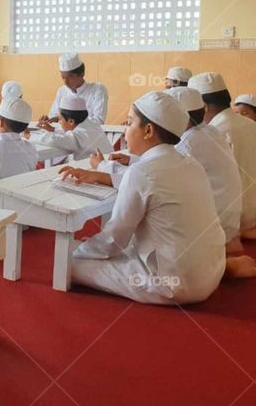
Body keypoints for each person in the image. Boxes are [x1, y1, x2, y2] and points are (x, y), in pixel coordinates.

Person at [59, 92, 245, 305]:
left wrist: (79, 250)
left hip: (171, 283)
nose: (125, 130)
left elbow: (113, 241)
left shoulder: (141, 172)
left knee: (64, 263)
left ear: (148, 130)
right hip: (212, 270)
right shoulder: (190, 163)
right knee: (93, 248)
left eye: (129, 123)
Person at [165, 87, 256, 275]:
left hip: (213, 225)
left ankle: (219, 265)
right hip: (229, 219)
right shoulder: (208, 132)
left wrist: (104, 172)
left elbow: (160, 177)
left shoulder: (188, 143)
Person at [189, 72, 256, 241]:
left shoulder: (214, 133)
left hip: (232, 218)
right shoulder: (254, 127)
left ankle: (236, 235)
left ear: (204, 107)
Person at [35, 95, 113, 161]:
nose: (60, 122)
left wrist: (29, 136)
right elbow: (71, 134)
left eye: (60, 119)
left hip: (99, 173)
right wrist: (52, 129)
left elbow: (53, 140)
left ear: (71, 121)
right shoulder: (93, 125)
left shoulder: (78, 136)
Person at [42, 52, 108, 125]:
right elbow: (53, 116)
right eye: (63, 77)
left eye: (69, 77)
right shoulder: (62, 91)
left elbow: (98, 121)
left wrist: (63, 120)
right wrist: (49, 121)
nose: (65, 82)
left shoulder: (98, 90)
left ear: (81, 74)